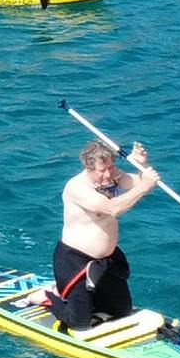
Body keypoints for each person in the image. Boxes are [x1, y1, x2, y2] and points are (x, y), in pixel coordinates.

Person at [48, 138, 160, 333]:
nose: (108, 174)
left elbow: (139, 183)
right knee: (80, 323)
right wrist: (143, 187)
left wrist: (141, 165)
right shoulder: (77, 187)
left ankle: (86, 297)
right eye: (102, 170)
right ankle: (48, 296)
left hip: (106, 259)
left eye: (111, 167)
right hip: (76, 260)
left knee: (121, 311)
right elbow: (112, 208)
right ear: (89, 167)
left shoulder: (111, 176)